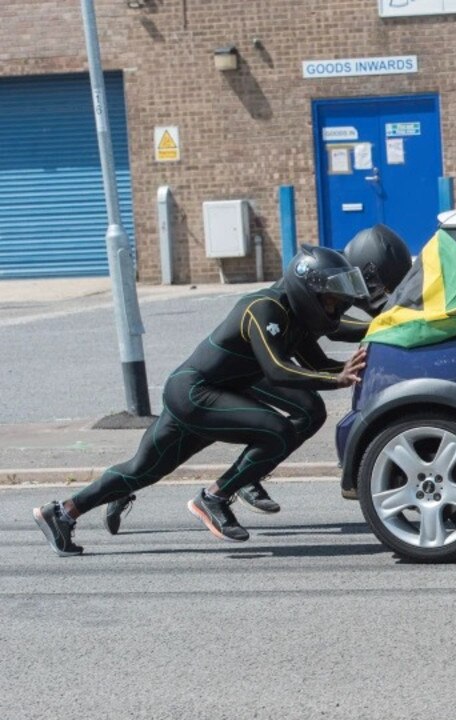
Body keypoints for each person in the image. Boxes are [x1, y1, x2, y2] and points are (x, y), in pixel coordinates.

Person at [33, 245, 370, 556]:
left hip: (212, 396)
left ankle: (61, 513)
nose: (336, 308)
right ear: (307, 292)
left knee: (140, 471)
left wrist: (355, 368)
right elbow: (278, 371)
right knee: (275, 430)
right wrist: (336, 378)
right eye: (330, 301)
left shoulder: (295, 318)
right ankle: (215, 497)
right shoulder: (264, 309)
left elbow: (317, 366)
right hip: (194, 393)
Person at [101, 225, 414, 528]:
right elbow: (335, 327)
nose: (378, 295)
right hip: (257, 360)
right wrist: (381, 327)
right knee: (297, 414)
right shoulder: (324, 272)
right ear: (369, 271)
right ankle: (240, 479)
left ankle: (246, 474)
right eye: (382, 286)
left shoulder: (347, 273)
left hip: (270, 358)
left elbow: (348, 323)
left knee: (308, 412)